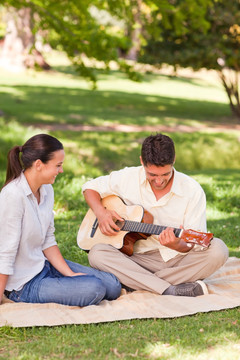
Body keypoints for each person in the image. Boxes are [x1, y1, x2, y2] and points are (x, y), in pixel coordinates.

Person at [82, 133, 229, 297]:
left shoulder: (192, 190)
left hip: (178, 260)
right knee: (97, 253)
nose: (159, 181)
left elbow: (192, 245)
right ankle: (169, 289)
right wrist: (101, 213)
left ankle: (139, 282)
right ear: (141, 162)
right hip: (135, 259)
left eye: (165, 174)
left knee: (218, 250)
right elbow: (90, 187)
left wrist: (176, 245)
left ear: (173, 162)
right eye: (152, 175)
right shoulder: (127, 177)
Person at [0, 134, 121, 306]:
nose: (61, 170)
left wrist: (69, 274)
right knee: (95, 289)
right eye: (58, 165)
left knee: (113, 286)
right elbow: (5, 251)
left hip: (44, 266)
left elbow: (48, 240)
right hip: (23, 285)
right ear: (39, 165)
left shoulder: (47, 189)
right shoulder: (12, 196)